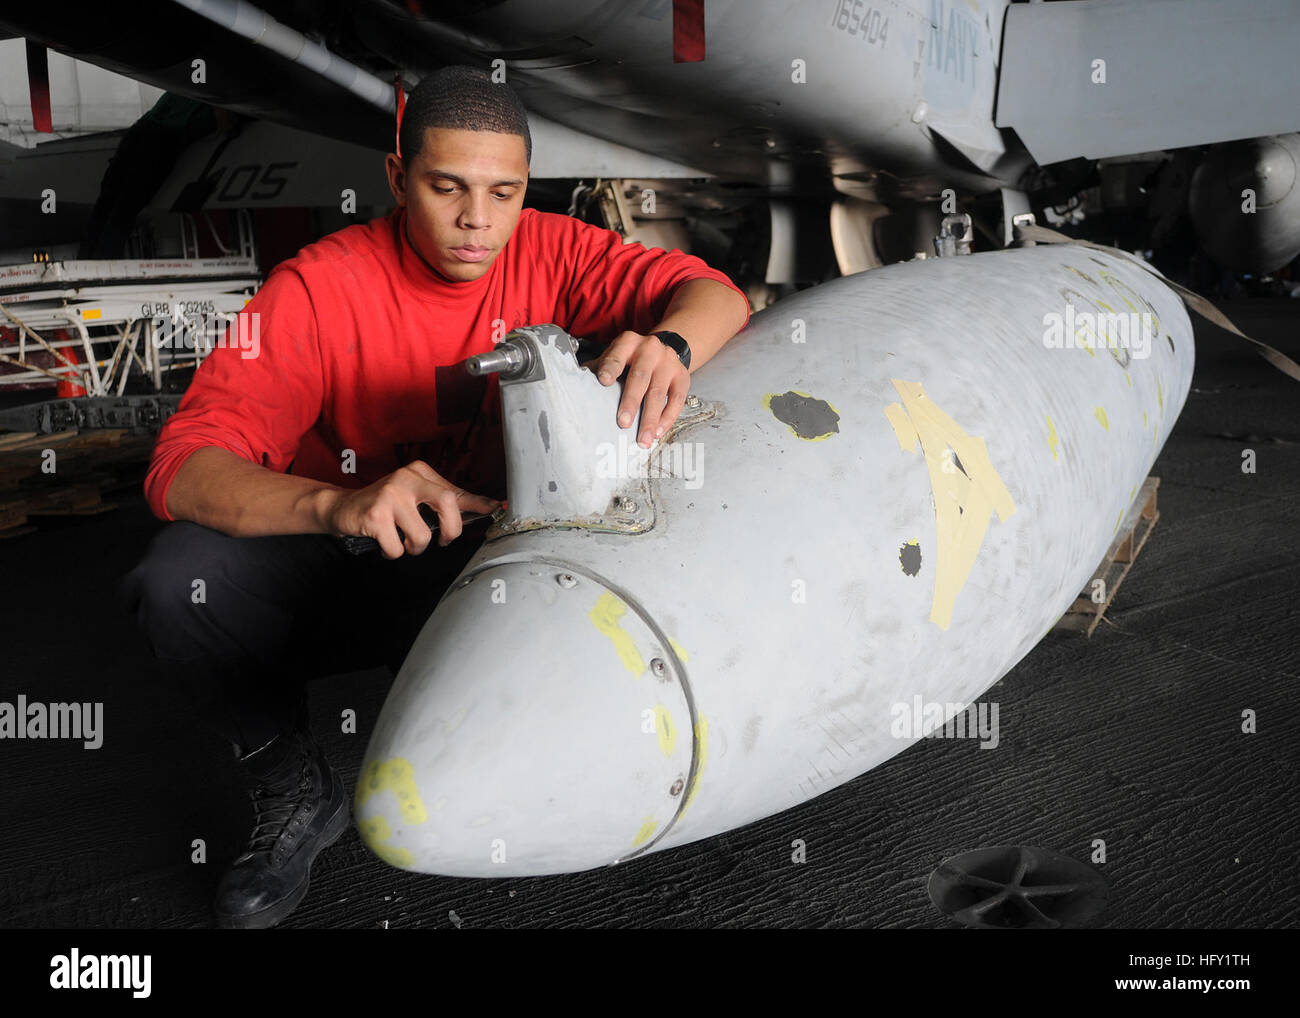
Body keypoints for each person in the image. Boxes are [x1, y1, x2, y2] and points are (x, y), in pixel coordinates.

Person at [120, 65, 750, 930]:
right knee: (178, 584)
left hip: (495, 559)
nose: (477, 223)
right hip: (350, 556)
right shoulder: (316, 289)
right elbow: (181, 466)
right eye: (446, 187)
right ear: (396, 177)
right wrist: (337, 506)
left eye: (505, 192)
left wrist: (672, 343)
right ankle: (294, 788)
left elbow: (717, 291)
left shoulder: (555, 247)